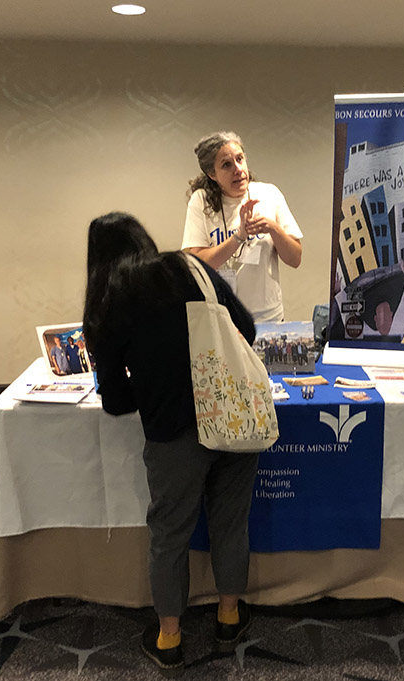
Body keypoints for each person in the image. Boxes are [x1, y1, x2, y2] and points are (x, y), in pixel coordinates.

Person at [83, 212, 259, 677]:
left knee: (169, 535)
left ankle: (170, 638)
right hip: (233, 417)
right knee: (230, 523)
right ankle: (227, 617)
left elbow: (116, 403)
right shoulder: (191, 267)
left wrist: (149, 379)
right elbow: (248, 328)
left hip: (175, 434)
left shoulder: (114, 298)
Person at [181, 131, 303, 322]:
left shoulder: (269, 194)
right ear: (212, 174)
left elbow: (295, 259)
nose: (237, 169)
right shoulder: (201, 201)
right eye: (226, 165)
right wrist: (239, 237)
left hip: (268, 319)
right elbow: (197, 265)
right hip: (223, 318)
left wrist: (273, 228)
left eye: (240, 159)